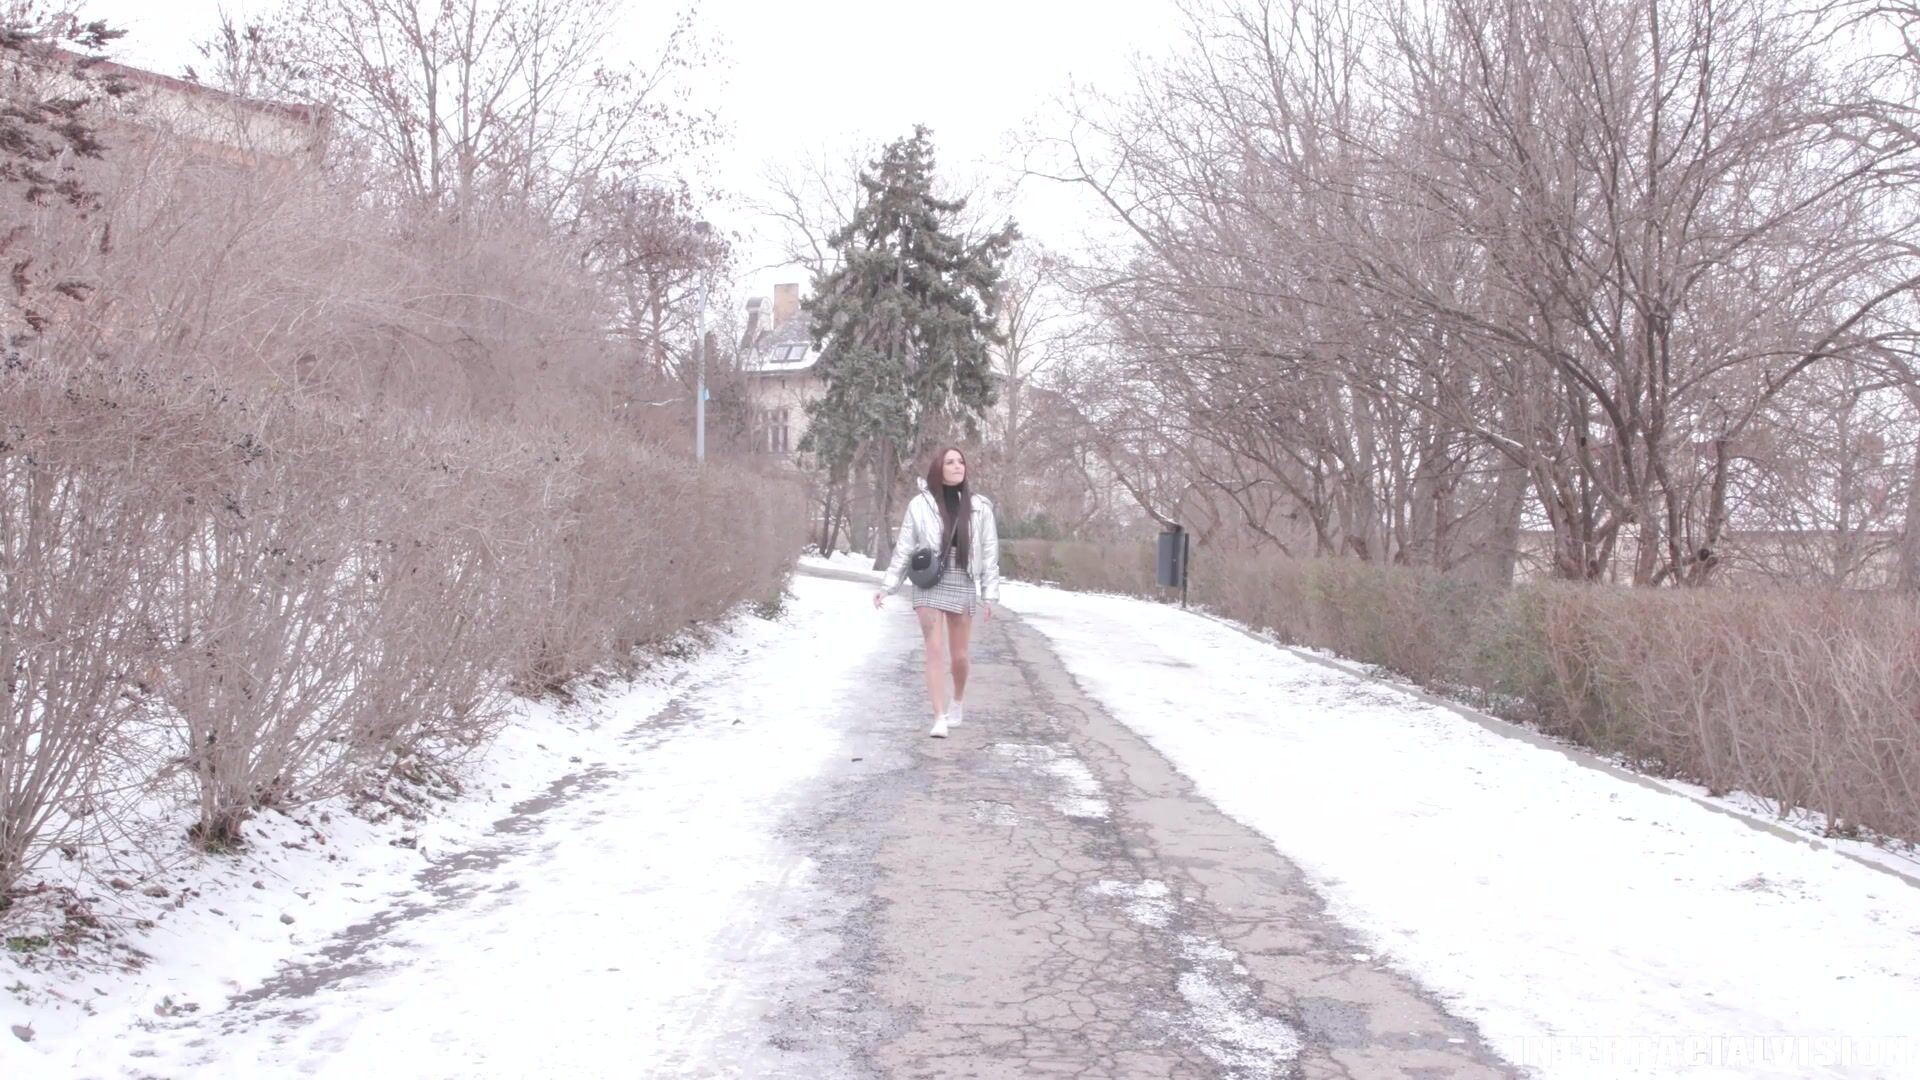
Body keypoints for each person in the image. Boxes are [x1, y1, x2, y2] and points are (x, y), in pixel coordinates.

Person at [873, 447, 1001, 738]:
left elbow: (990, 552)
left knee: (960, 656)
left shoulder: (980, 506)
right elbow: (905, 547)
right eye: (950, 462)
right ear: (938, 469)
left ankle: (957, 701)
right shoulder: (920, 504)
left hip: (963, 576)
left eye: (961, 461)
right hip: (929, 578)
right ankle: (939, 717)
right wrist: (888, 586)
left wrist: (989, 595)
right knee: (933, 648)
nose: (958, 466)